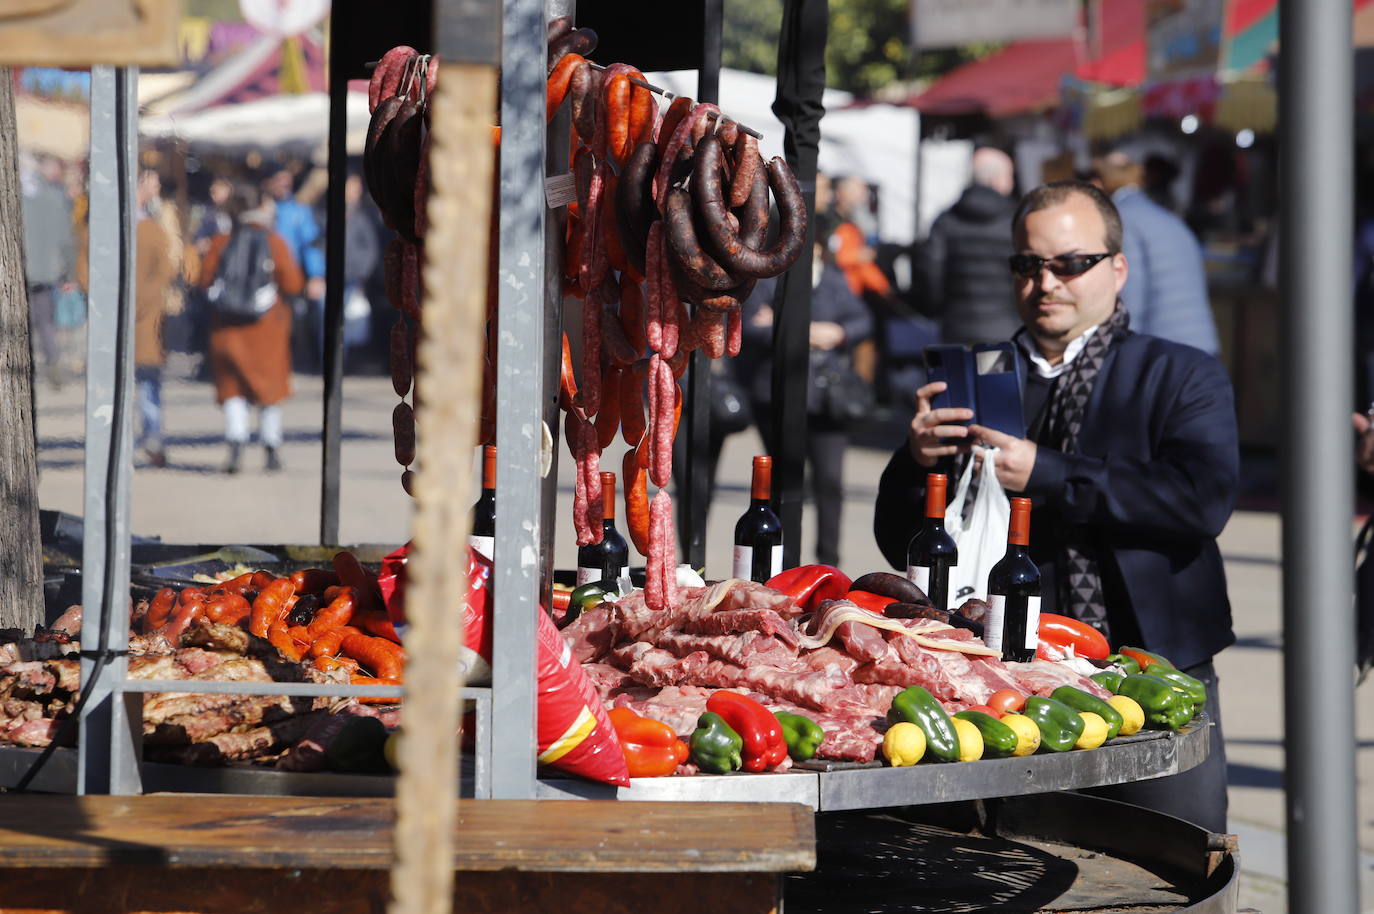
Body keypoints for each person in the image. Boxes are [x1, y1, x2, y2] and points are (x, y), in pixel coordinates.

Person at [873, 180, 1238, 832]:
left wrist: (1048, 472)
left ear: (1117, 268)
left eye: (1071, 262)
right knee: (1030, 860)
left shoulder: (1180, 372)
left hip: (1155, 666)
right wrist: (916, 463)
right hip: (1015, 678)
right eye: (1028, 264)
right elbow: (904, 541)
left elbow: (1200, 501)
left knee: (1178, 854)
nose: (1048, 282)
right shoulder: (981, 375)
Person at [745, 244, 873, 568]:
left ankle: (828, 561)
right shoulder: (767, 278)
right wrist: (803, 330)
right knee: (784, 480)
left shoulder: (832, 279)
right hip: (778, 393)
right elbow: (749, 327)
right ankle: (781, 560)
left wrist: (839, 332)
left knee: (829, 481)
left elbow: (862, 320)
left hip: (827, 399)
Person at [199, 185, 305, 474]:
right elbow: (293, 283)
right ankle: (271, 449)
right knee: (269, 390)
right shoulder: (274, 241)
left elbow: (204, 279)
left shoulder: (221, 242)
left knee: (233, 390)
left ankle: (235, 445)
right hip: (267, 329)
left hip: (227, 329)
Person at [1094, 144, 1220, 355]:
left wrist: (1122, 356)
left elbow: (1130, 298)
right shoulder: (1162, 215)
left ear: (1100, 181)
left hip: (1167, 352)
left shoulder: (1123, 219)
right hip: (1201, 342)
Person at [917, 147, 1021, 346]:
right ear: (996, 179)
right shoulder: (1014, 220)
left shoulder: (945, 220)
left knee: (956, 377)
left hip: (957, 327)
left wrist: (940, 308)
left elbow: (930, 273)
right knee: (997, 377)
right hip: (1006, 327)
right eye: (1010, 176)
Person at [20, 154, 76, 388]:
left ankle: (30, 367)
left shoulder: (20, 197)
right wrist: (68, 273)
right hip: (44, 272)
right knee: (45, 323)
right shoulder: (55, 197)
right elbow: (67, 240)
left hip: (23, 272)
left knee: (23, 324)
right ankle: (52, 364)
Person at [133, 169, 176, 468]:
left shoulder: (155, 220)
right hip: (145, 315)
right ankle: (150, 438)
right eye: (152, 180)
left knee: (145, 379)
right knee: (147, 380)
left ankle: (150, 437)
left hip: (142, 316)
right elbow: (168, 268)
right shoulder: (150, 227)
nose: (158, 186)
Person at [263, 166, 326, 371]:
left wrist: (316, 275)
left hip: (290, 275)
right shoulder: (261, 208)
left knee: (293, 320)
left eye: (286, 181)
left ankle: (294, 359)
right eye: (279, 180)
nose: (283, 185)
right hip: (262, 276)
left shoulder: (298, 211)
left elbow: (310, 244)